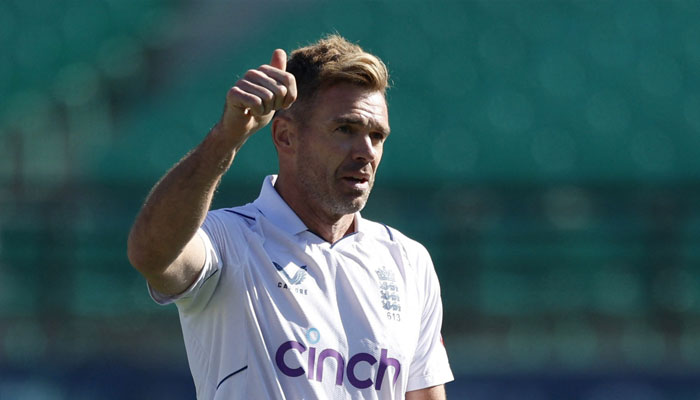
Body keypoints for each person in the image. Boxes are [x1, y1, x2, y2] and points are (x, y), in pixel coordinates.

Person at [127, 34, 453, 400]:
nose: (366, 152)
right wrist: (226, 139)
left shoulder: (408, 261)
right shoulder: (229, 239)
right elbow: (151, 253)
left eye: (376, 136)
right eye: (345, 129)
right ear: (285, 137)